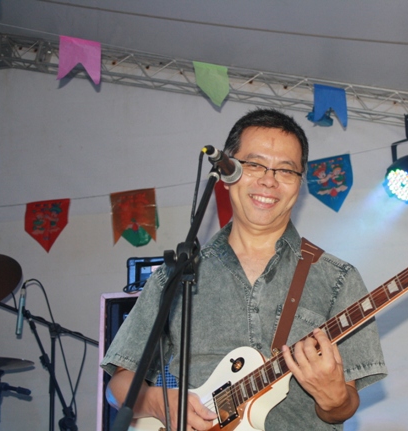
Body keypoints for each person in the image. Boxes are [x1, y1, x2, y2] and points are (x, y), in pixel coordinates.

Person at [101, 109, 387, 430]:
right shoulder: (176, 275)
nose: (269, 180)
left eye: (286, 170)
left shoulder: (338, 278)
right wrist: (158, 401)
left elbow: (343, 408)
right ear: (226, 173)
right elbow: (118, 385)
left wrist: (334, 399)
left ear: (299, 183)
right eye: (253, 165)